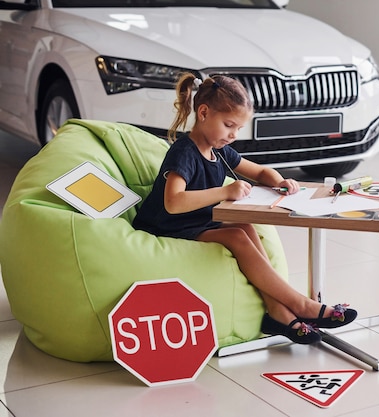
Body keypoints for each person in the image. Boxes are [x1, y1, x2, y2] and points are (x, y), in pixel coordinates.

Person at [133, 73, 357, 344]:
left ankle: (277, 311)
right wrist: (226, 191)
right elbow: (174, 201)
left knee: (245, 227)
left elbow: (260, 170)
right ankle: (302, 305)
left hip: (197, 222)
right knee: (236, 236)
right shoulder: (184, 152)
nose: (233, 135)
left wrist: (279, 180)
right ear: (203, 113)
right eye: (229, 125)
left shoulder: (219, 151)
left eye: (238, 128)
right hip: (167, 226)